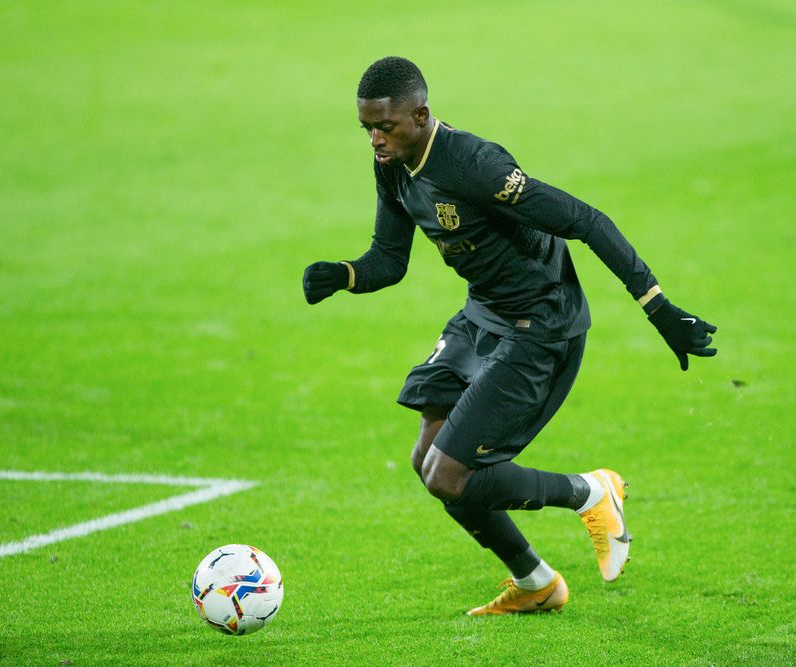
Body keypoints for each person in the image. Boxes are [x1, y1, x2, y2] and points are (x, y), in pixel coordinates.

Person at [303, 56, 717, 615]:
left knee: (451, 475)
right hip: (484, 315)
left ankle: (592, 492)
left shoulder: (475, 165)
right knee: (427, 457)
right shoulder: (393, 165)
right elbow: (389, 260)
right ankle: (536, 582)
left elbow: (586, 220)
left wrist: (659, 309)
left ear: (421, 115)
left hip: (542, 324)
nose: (375, 139)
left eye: (385, 127)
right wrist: (345, 276)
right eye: (367, 128)